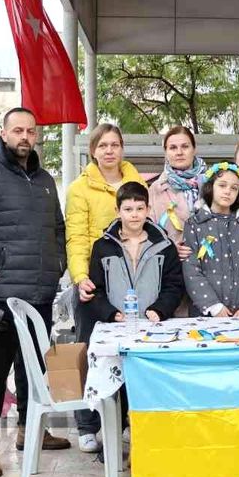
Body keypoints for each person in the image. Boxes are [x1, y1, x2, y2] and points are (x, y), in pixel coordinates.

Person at [0, 107, 70, 477]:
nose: (25, 137)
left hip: (38, 294)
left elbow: (58, 227)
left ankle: (30, 429)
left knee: (33, 368)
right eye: (18, 130)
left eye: (31, 131)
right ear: (4, 133)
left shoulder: (44, 180)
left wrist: (57, 268)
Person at [67, 124, 147, 452]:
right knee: (89, 349)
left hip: (129, 280)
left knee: (129, 350)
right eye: (103, 145)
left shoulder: (136, 182)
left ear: (122, 149)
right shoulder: (79, 188)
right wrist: (79, 277)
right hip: (92, 279)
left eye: (115, 144)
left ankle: (126, 420)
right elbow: (76, 235)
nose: (110, 151)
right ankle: (88, 424)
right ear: (94, 150)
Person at [182, 163, 239, 317]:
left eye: (234, 188)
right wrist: (214, 307)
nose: (228, 191)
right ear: (210, 187)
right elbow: (191, 271)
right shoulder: (194, 225)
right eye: (222, 185)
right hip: (205, 314)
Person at [148, 125, 206, 260]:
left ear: (194, 149)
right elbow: (148, 232)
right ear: (166, 152)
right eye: (173, 148)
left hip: (212, 267)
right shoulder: (155, 189)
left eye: (185, 146)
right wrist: (170, 249)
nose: (179, 152)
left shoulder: (214, 183)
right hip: (172, 269)